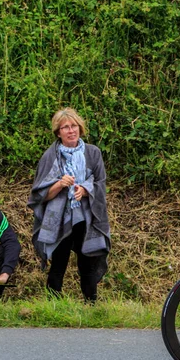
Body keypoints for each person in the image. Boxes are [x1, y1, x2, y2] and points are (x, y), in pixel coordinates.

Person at [28, 107, 111, 302]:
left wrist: (85, 190)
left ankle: (91, 306)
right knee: (59, 263)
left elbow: (100, 184)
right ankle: (53, 306)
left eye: (74, 126)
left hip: (86, 217)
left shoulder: (93, 153)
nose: (70, 130)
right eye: (65, 127)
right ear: (58, 132)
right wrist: (58, 184)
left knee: (87, 262)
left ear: (80, 129)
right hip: (59, 218)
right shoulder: (50, 156)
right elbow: (39, 195)